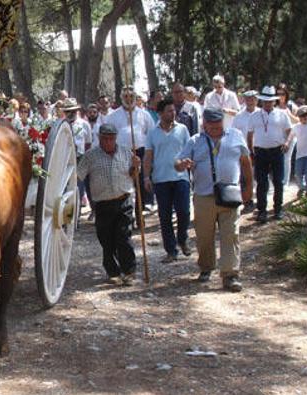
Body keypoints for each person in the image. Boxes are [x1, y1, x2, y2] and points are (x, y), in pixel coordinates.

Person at [176, 108, 253, 292]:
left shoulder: (235, 136)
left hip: (230, 194)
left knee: (231, 234)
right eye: (212, 127)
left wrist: (249, 186)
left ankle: (230, 274)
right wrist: (183, 164)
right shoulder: (195, 141)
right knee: (204, 236)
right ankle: (206, 267)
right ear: (204, 125)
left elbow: (245, 162)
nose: (216, 130)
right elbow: (177, 163)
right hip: (204, 196)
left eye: (218, 126)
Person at [77, 124, 140, 286]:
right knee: (106, 239)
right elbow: (78, 175)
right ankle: (113, 271)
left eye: (111, 138)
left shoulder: (126, 152)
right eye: (105, 138)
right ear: (99, 138)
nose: (108, 141)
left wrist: (135, 166)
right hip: (103, 203)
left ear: (115, 138)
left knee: (124, 236)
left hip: (123, 199)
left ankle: (129, 270)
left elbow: (133, 175)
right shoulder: (90, 156)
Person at [144, 98, 191, 262]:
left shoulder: (183, 129)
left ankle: (183, 239)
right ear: (160, 113)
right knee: (164, 216)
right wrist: (146, 177)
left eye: (174, 110)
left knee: (183, 212)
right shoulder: (152, 132)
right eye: (169, 111)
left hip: (181, 177)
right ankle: (171, 250)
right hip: (161, 179)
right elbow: (148, 156)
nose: (173, 113)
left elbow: (189, 151)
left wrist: (188, 163)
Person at [104, 86, 156, 211]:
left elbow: (151, 134)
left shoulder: (144, 114)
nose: (129, 99)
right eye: (126, 97)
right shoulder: (113, 116)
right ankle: (126, 213)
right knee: (124, 183)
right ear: (122, 98)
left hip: (140, 152)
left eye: (131, 96)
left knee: (140, 184)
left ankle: (140, 213)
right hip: (121, 153)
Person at [247, 85, 292, 222]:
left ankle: (278, 210)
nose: (267, 103)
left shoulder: (282, 114)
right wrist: (251, 151)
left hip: (277, 151)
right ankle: (262, 211)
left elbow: (290, 131)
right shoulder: (254, 115)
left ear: (274, 101)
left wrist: (287, 143)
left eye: (270, 101)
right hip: (260, 152)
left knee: (278, 181)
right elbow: (250, 135)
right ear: (261, 101)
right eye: (265, 101)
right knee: (261, 183)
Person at [232, 89, 259, 212]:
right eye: (248, 99)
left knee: (259, 176)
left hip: (260, 149)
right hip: (243, 151)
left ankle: (260, 199)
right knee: (245, 177)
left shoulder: (261, 114)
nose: (250, 101)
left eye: (252, 99)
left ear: (256, 100)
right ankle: (247, 201)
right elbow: (234, 133)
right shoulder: (239, 116)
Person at [275, 83, 299, 185]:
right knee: (276, 159)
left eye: (283, 94)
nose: (281, 96)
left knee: (286, 158)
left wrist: (289, 114)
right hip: (278, 135)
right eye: (279, 93)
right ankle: (277, 179)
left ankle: (285, 182)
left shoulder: (291, 106)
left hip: (290, 135)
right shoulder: (274, 106)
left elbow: (299, 120)